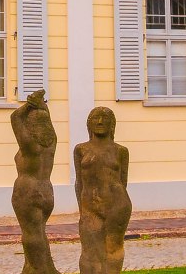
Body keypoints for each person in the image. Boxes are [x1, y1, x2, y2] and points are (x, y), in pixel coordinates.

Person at [74, 106, 131, 274]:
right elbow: (79, 182)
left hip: (117, 205)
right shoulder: (81, 149)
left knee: (113, 247)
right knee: (89, 251)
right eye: (95, 118)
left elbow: (123, 181)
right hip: (89, 206)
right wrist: (82, 210)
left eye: (105, 119)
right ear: (89, 124)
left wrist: (118, 203)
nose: (100, 122)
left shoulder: (120, 151)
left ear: (112, 124)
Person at [10, 90, 59, 274]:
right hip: (47, 191)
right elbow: (48, 121)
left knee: (30, 234)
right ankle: (36, 267)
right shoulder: (51, 141)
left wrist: (29, 105)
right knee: (39, 231)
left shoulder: (29, 144)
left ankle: (39, 269)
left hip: (27, 190)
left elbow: (15, 117)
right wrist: (42, 106)